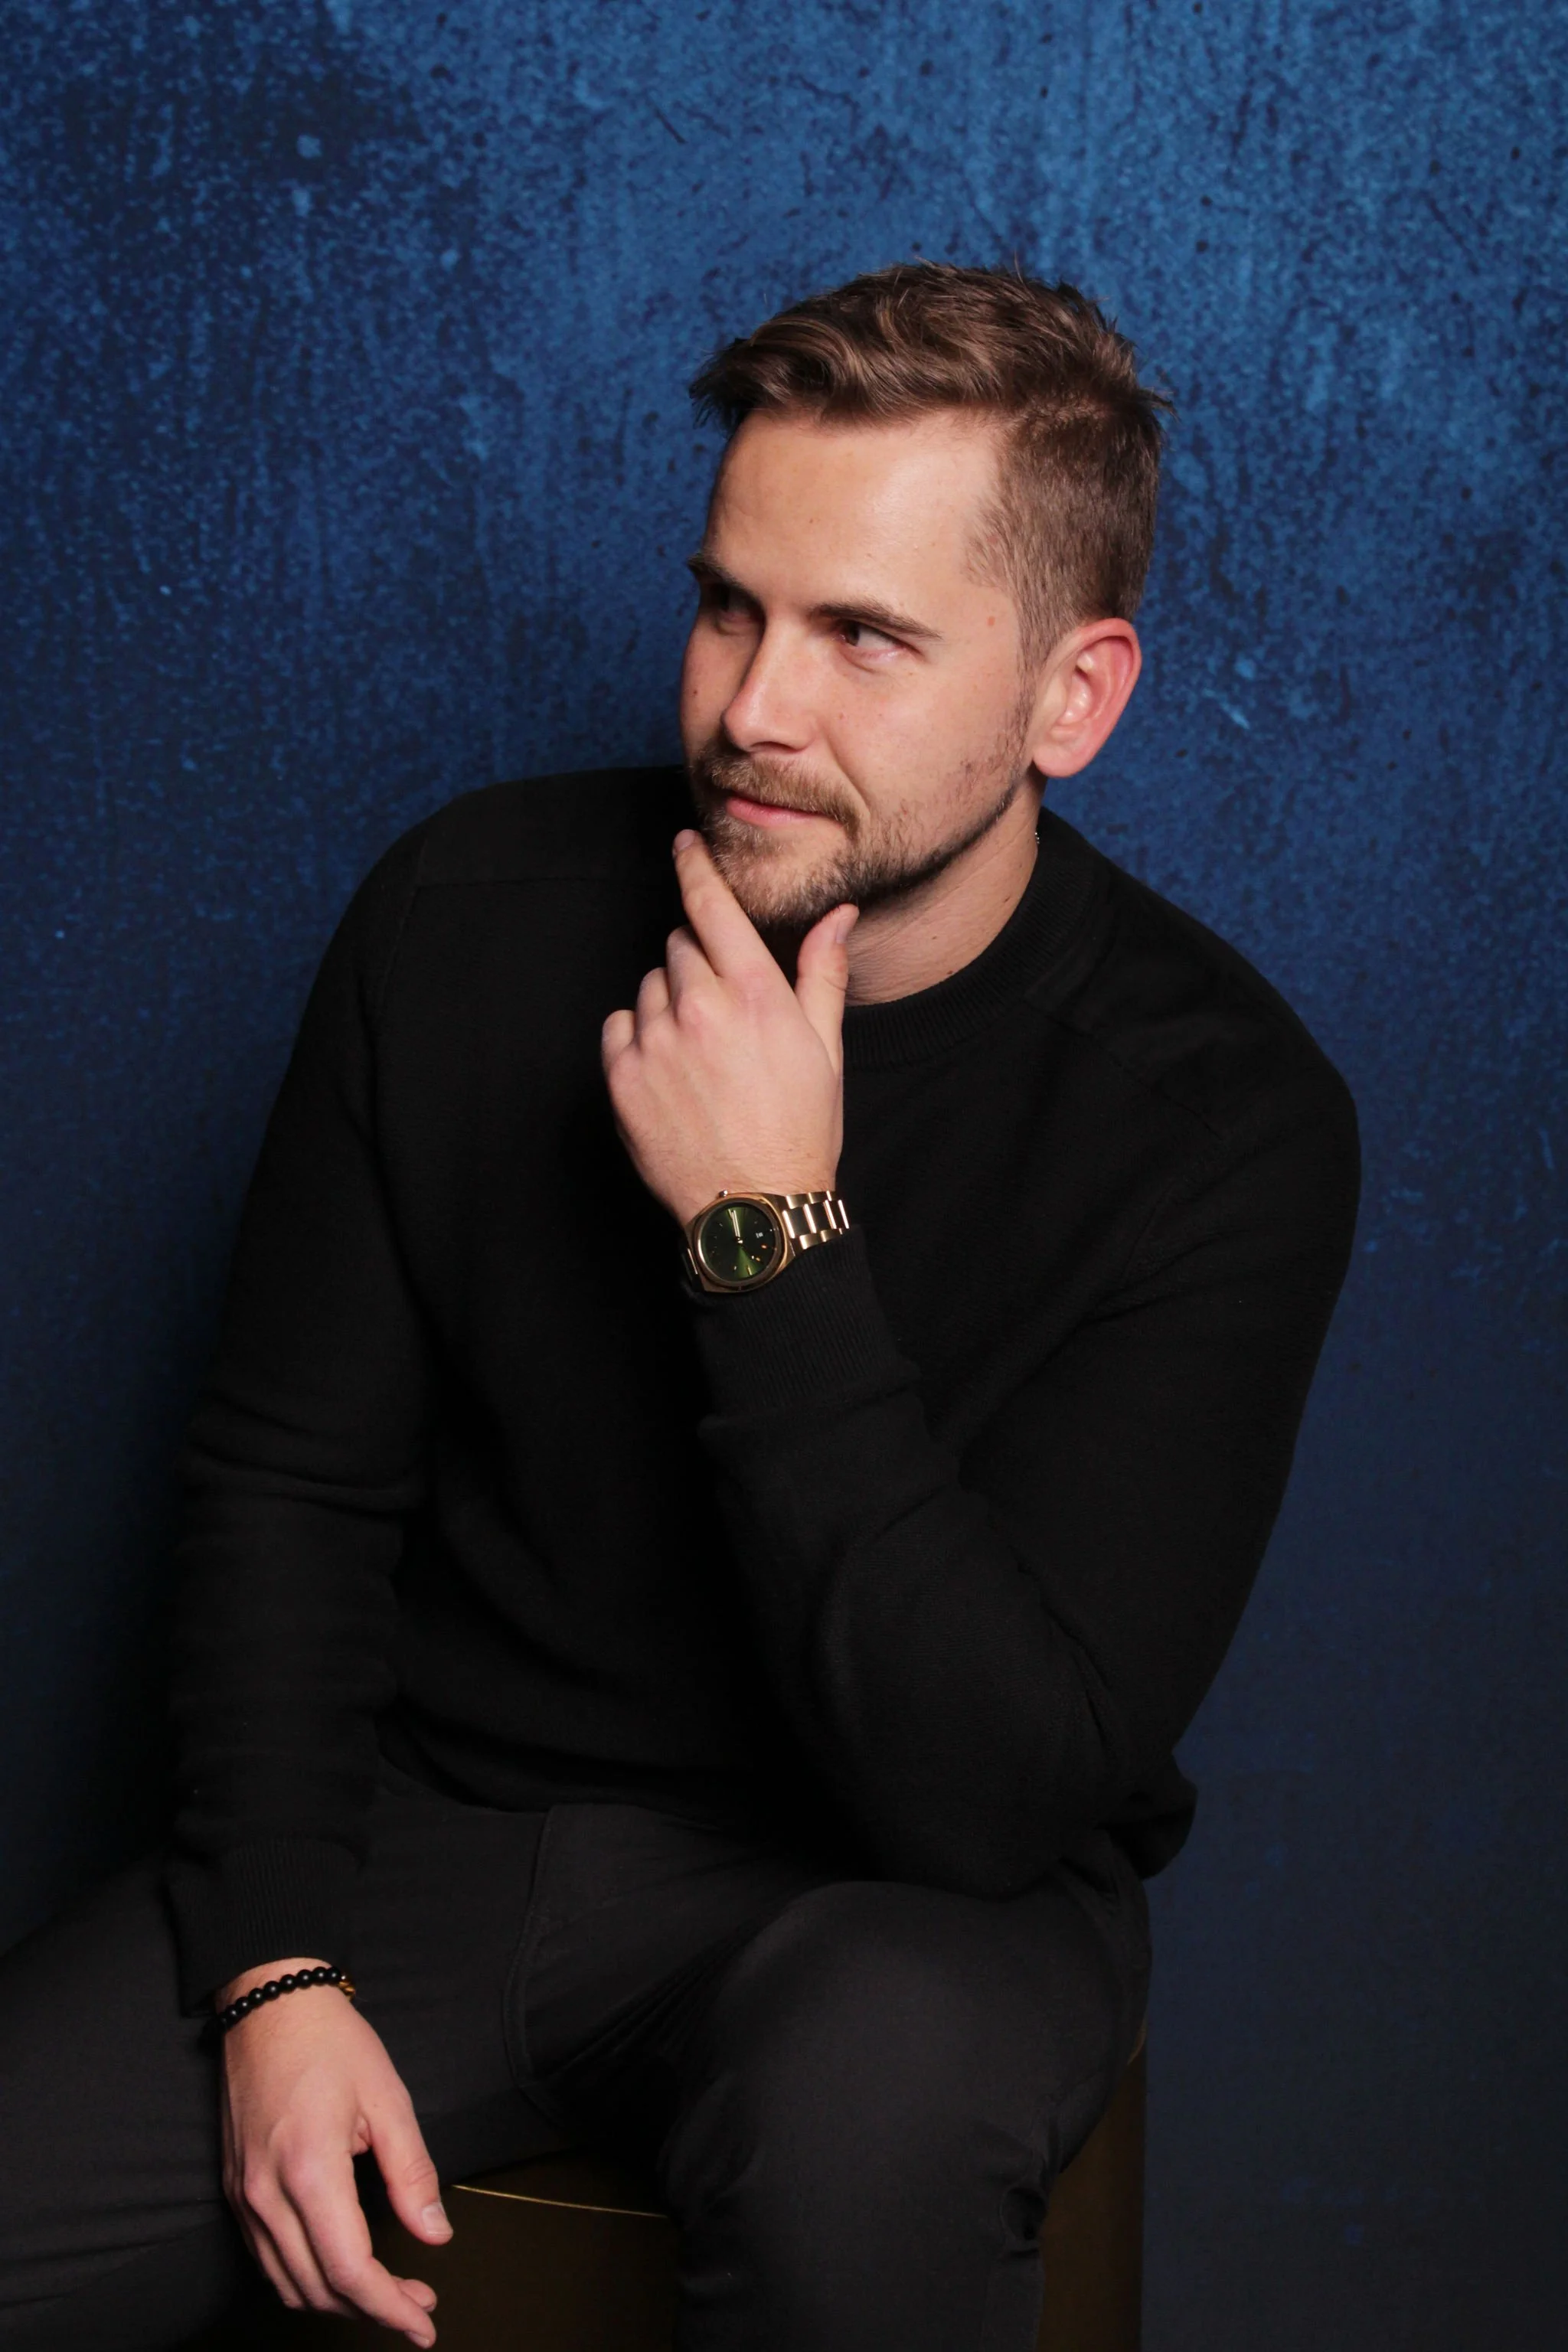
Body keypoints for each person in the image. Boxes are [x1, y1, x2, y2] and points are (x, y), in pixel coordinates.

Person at [0, 263, 1359, 2352]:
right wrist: (277, 1974)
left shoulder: (1220, 1113)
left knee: (867, 2115)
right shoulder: (466, 919)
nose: (752, 708)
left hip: (906, 1901)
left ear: (1072, 699)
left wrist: (768, 1235)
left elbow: (991, 1791)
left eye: (864, 639)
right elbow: (287, 1488)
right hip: (437, 1847)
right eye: (731, 604)